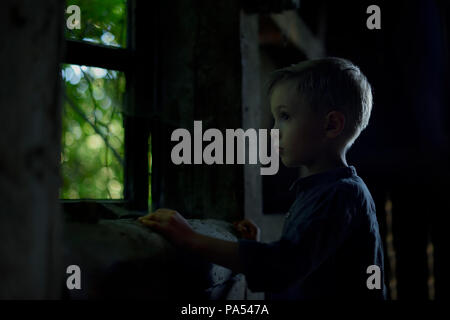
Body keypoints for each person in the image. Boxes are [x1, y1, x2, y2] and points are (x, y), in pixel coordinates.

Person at [138, 57, 387, 300]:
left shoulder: (341, 194)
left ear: (331, 125)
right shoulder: (325, 190)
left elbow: (282, 268)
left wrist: (191, 239)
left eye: (285, 116)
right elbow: (300, 261)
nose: (273, 131)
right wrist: (257, 247)